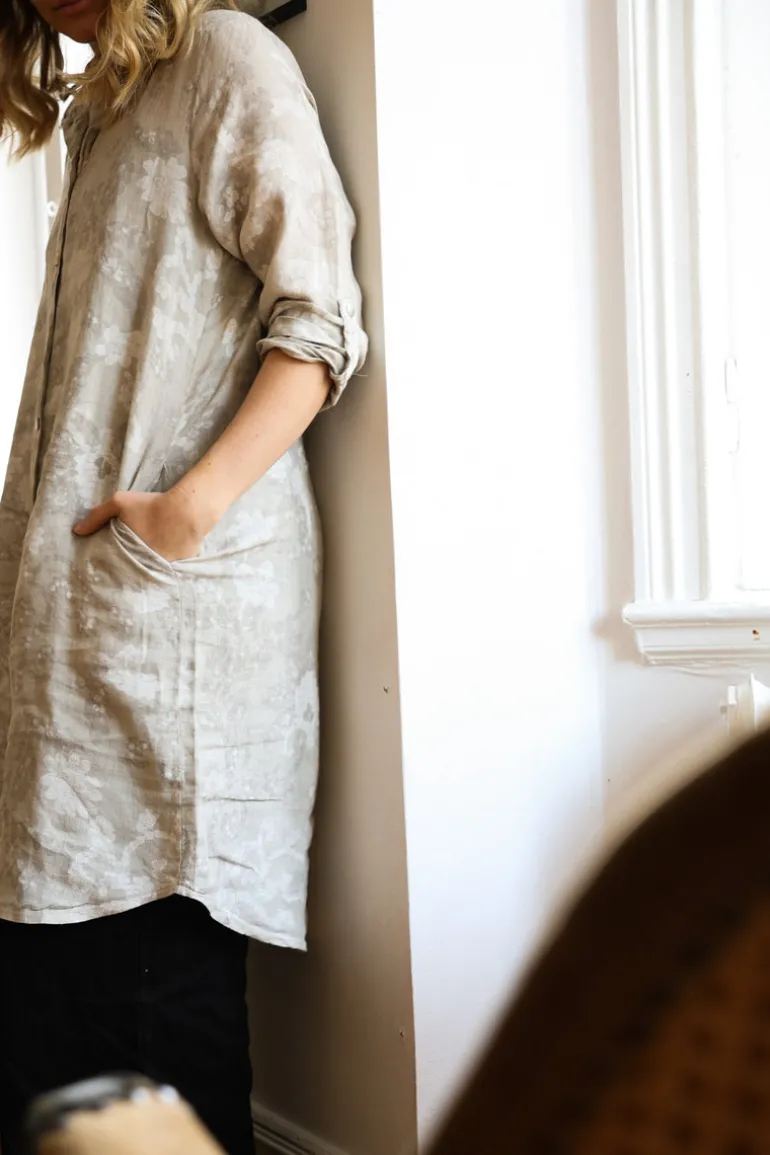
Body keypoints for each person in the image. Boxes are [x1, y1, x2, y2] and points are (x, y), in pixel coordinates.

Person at [0, 0, 367, 1151]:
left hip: (180, 633)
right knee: (56, 1013)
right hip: (82, 618)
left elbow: (319, 319)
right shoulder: (98, 107)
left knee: (157, 1002)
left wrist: (186, 513)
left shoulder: (225, 56)